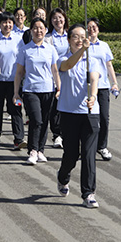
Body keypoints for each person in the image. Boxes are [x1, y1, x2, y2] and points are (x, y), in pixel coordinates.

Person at [56, 23, 101, 208]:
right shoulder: (62, 58)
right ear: (68, 40)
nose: (80, 40)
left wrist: (93, 96)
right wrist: (83, 50)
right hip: (69, 112)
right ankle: (62, 177)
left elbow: (94, 79)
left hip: (90, 113)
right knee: (71, 154)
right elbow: (68, 65)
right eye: (76, 37)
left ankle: (88, 193)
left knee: (89, 154)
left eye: (83, 37)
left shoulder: (92, 60)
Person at [14, 17, 60, 165]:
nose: (38, 31)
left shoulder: (50, 49)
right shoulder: (25, 50)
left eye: (41, 28)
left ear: (45, 30)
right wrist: (16, 92)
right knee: (36, 119)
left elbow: (55, 70)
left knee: (44, 121)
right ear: (31, 30)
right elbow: (19, 73)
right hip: (30, 89)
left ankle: (40, 150)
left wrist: (59, 87)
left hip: (48, 89)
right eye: (35, 28)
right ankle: (33, 150)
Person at [0, 11, 25, 148]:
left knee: (15, 108)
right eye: (4, 22)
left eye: (10, 22)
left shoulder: (18, 39)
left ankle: (18, 138)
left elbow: (22, 57)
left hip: (14, 80)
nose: (7, 25)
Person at [86, 17, 119, 161]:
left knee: (104, 118)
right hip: (88, 87)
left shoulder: (104, 46)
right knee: (88, 118)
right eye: (89, 27)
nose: (91, 29)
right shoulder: (83, 45)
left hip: (103, 86)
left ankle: (102, 146)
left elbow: (109, 65)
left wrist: (114, 82)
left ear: (98, 29)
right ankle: (87, 146)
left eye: (94, 27)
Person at [47, 8, 69, 149]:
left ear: (65, 19)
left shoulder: (70, 36)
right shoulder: (48, 38)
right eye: (54, 18)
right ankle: (57, 135)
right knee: (55, 107)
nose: (58, 20)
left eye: (60, 17)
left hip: (68, 76)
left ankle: (67, 132)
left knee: (67, 106)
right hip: (53, 76)